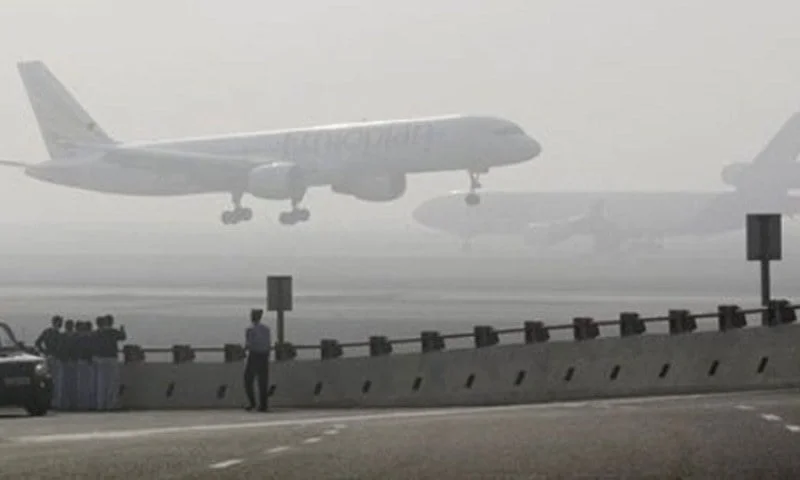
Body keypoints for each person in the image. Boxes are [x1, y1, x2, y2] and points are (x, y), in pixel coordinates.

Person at [94, 315, 126, 411]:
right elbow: (123, 337)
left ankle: (100, 404)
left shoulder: (98, 333)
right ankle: (111, 404)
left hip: (100, 359)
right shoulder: (113, 332)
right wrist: (122, 329)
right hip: (111, 358)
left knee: (101, 382)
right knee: (112, 382)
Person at [243, 308, 271, 412]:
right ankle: (264, 405)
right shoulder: (266, 329)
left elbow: (249, 344)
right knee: (263, 381)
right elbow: (268, 343)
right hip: (264, 355)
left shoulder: (250, 329)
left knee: (248, 380)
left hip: (254, 355)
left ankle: (252, 402)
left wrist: (243, 351)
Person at [35, 315, 63, 409]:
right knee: (56, 380)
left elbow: (37, 343)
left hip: (47, 357)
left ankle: (49, 401)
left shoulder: (47, 332)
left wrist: (43, 351)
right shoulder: (58, 334)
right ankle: (56, 402)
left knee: (48, 380)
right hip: (55, 357)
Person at [60, 319, 79, 411]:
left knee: (70, 383)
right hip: (68, 361)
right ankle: (68, 402)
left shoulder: (63, 336)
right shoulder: (75, 336)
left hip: (69, 361)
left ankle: (70, 402)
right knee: (69, 382)